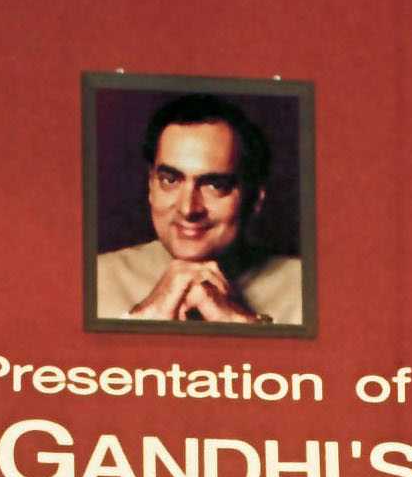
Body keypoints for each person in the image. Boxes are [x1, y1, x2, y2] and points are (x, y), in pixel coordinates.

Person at [96, 92, 302, 324]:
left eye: (215, 185)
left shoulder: (305, 290)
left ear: (255, 198)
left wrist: (243, 324)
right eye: (170, 180)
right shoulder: (95, 279)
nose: (188, 209)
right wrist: (140, 319)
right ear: (151, 186)